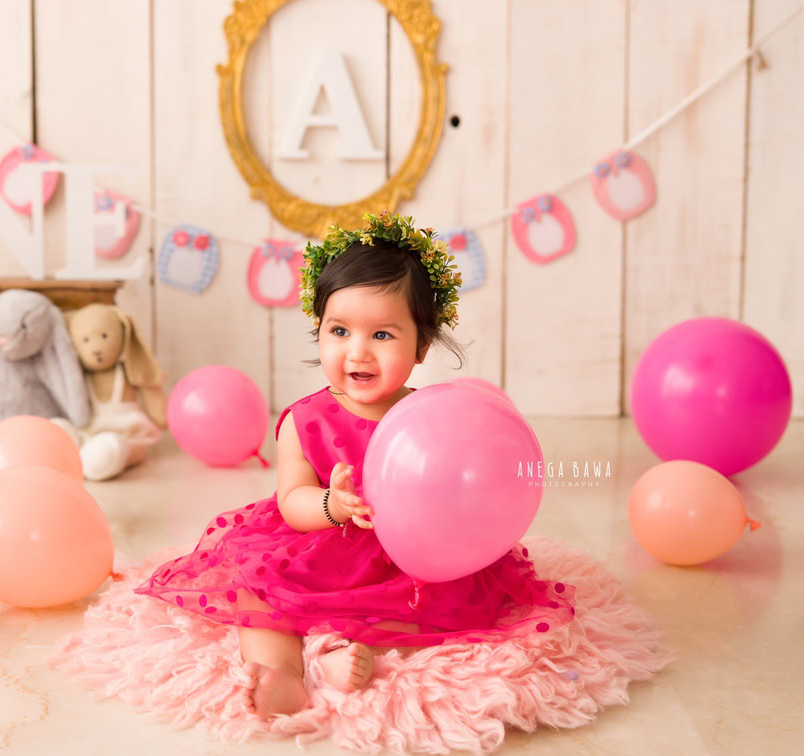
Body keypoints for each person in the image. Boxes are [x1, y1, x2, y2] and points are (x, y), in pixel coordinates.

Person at [135, 211, 576, 719]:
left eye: (383, 335)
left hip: (408, 553)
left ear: (422, 346)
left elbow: (460, 480)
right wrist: (332, 503)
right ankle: (282, 673)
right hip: (325, 543)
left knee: (439, 608)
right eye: (339, 331)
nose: (357, 351)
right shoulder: (304, 421)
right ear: (318, 332)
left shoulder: (433, 418)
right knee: (259, 598)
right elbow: (291, 502)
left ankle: (341, 652)